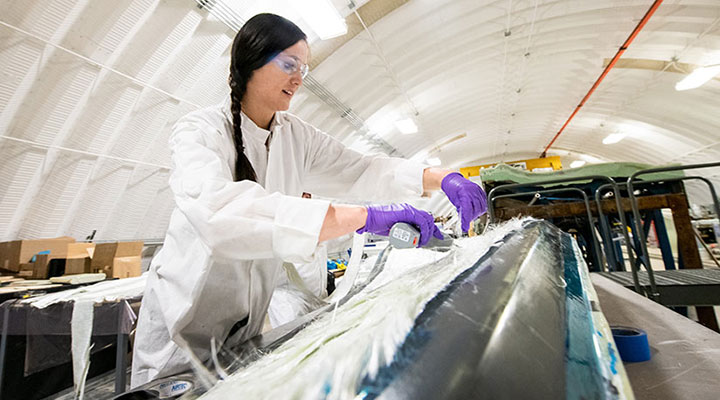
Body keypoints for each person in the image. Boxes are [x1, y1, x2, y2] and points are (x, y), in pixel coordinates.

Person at [130, 13, 486, 387]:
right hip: (180, 327)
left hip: (243, 329)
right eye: (288, 64)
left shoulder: (295, 136)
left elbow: (360, 169)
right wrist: (364, 216)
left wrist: (440, 177)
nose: (298, 77)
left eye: (303, 67)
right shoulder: (199, 132)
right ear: (251, 61)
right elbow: (220, 214)